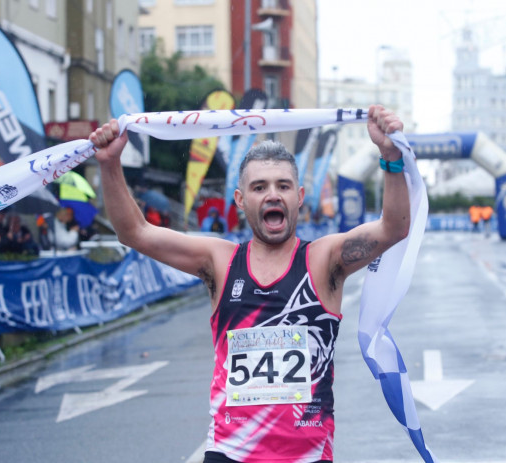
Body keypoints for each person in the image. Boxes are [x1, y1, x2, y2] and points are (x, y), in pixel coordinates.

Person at [90, 105, 410, 463]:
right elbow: (135, 233)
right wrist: (109, 164)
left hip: (306, 456)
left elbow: (393, 228)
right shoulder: (220, 260)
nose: (272, 195)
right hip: (230, 452)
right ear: (242, 200)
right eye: (259, 187)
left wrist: (390, 158)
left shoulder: (325, 259)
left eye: (283, 186)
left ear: (299, 197)